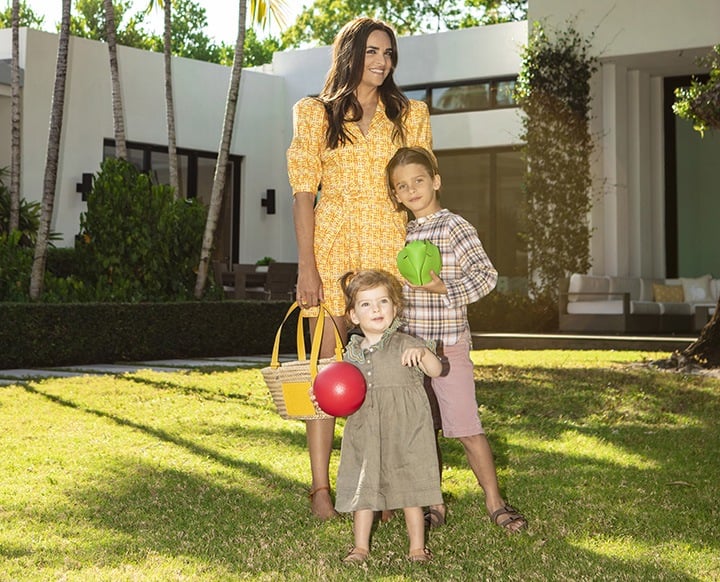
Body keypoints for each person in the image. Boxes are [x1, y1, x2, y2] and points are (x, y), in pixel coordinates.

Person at [286, 17, 433, 520]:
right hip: (331, 251)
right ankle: (321, 489)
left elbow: (419, 191)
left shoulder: (409, 114)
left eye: (388, 54)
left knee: (385, 375)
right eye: (372, 51)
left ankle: (381, 486)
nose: (382, 62)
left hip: (389, 251)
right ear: (350, 53)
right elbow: (304, 194)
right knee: (329, 374)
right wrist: (308, 268)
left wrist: (425, 256)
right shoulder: (313, 113)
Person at [385, 146, 528, 533]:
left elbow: (486, 276)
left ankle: (495, 502)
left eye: (418, 180)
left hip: (449, 347)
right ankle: (435, 504)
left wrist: (442, 287)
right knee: (421, 430)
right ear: (396, 195)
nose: (412, 190)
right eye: (402, 186)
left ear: (436, 181)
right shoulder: (401, 234)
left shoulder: (454, 226)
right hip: (412, 351)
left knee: (465, 427)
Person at [334, 269, 443, 564]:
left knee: (410, 488)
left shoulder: (407, 344)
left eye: (383, 302)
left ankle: (417, 547)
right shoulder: (351, 354)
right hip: (366, 429)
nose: (376, 309)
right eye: (366, 304)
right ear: (354, 315)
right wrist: (321, 395)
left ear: (395, 309)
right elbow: (337, 392)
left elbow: (437, 370)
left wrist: (423, 354)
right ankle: (360, 547)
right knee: (364, 486)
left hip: (406, 429)